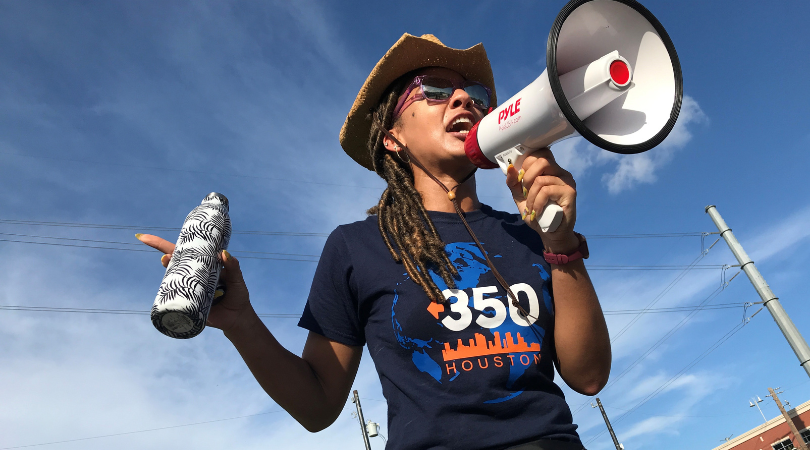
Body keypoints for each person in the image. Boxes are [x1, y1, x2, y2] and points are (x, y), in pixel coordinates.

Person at [139, 33, 611, 450]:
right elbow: (318, 406)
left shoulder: (532, 236)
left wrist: (559, 241)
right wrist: (241, 322)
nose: (464, 100)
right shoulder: (354, 248)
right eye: (436, 91)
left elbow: (588, 377)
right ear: (392, 138)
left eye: (477, 95)